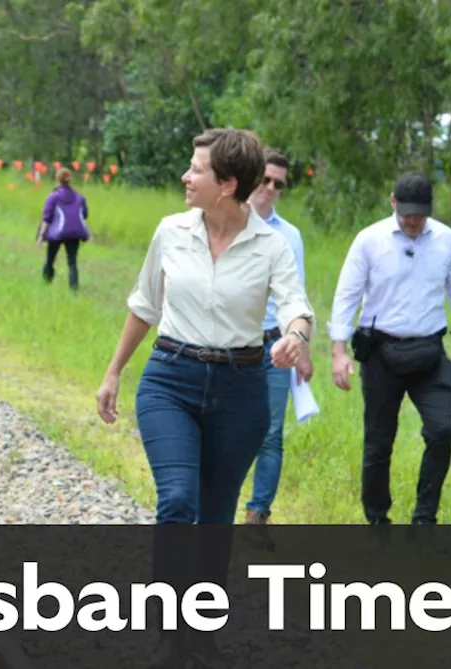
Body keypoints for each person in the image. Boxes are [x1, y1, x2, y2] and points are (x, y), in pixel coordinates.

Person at [95, 128, 313, 667]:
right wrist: (114, 372)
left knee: (216, 517)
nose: (185, 178)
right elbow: (145, 304)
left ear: (227, 184)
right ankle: (168, 631)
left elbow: (295, 305)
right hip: (171, 379)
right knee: (177, 502)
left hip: (241, 390)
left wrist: (296, 337)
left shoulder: (271, 245)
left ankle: (203, 635)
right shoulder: (171, 232)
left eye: (196, 170)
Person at [328, 172, 451, 526]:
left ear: (429, 210)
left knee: (441, 431)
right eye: (406, 213)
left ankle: (424, 519)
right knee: (378, 442)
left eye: (419, 214)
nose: (413, 221)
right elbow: (347, 294)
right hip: (381, 354)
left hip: (428, 354)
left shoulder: (446, 240)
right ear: (393, 203)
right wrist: (338, 351)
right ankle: (377, 521)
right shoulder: (369, 240)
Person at [243, 149, 310, 525]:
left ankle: (258, 513)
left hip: (274, 343)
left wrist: (301, 346)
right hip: (232, 341)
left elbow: (296, 295)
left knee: (270, 432)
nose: (269, 189)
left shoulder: (290, 236)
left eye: (278, 184)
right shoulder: (229, 222)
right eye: (264, 179)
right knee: (227, 425)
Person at [38, 167, 90, 290]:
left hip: (57, 234)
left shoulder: (53, 197)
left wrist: (41, 236)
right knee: (72, 262)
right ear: (70, 180)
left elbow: (47, 218)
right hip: (75, 233)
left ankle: (46, 284)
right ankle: (74, 290)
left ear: (57, 180)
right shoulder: (80, 198)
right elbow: (85, 214)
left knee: (50, 260)